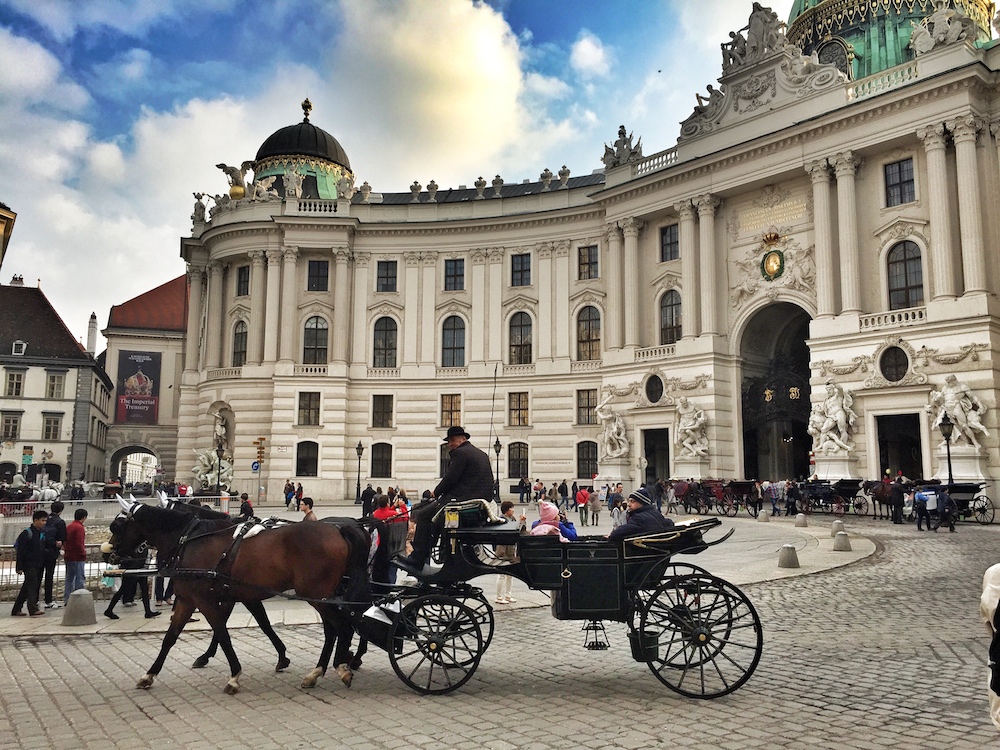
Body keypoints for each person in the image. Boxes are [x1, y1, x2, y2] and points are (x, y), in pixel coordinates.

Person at [395, 425, 494, 572]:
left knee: (423, 515)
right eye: (448, 442)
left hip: (462, 501)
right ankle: (436, 548)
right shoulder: (480, 453)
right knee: (432, 514)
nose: (450, 445)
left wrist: (436, 492)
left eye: (452, 440)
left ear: (463, 439)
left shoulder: (461, 453)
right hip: (477, 501)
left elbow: (450, 478)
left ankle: (418, 557)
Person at [105, 541, 160, 620]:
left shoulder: (142, 540)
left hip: (140, 567)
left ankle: (148, 611)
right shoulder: (133, 539)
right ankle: (109, 610)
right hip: (132, 567)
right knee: (123, 589)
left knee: (144, 589)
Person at [12, 509, 49, 617]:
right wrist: (19, 566)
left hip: (38, 564)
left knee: (26, 588)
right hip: (29, 564)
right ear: (35, 520)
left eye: (45, 521)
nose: (44, 523)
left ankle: (16, 609)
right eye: (42, 520)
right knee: (32, 586)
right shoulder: (27, 533)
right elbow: (21, 551)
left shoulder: (41, 534)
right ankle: (32, 609)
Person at [608, 488, 675, 541]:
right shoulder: (657, 514)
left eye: (632, 501)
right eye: (628, 501)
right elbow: (668, 523)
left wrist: (611, 536)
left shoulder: (639, 518)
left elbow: (620, 532)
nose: (629, 504)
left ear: (642, 503)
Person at [494, 501, 525, 603]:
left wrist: (522, 522)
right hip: (503, 549)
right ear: (507, 510)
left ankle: (508, 595)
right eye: (512, 508)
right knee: (502, 574)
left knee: (510, 574)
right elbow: (508, 531)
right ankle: (499, 597)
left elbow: (518, 531)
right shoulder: (501, 520)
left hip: (511, 549)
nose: (513, 510)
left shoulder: (513, 518)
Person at [42, 500, 67, 609]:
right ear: (61, 510)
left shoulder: (45, 520)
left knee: (38, 576)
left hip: (41, 550)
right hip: (52, 552)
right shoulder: (60, 522)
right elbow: (63, 538)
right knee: (49, 576)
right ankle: (48, 601)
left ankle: (34, 600)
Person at [63, 508, 88, 603]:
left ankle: (67, 599)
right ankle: (79, 600)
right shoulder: (79, 528)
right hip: (77, 557)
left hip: (68, 555)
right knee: (80, 578)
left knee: (69, 578)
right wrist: (83, 553)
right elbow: (79, 543)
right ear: (84, 517)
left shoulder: (69, 526)